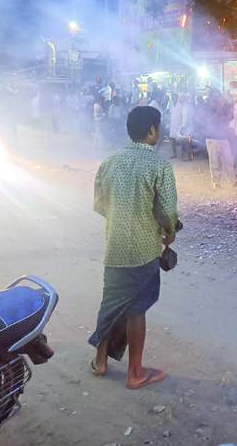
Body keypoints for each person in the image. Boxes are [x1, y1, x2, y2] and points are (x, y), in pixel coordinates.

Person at [89, 106, 181, 389]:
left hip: (115, 247)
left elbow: (100, 205)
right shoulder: (160, 165)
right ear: (152, 130)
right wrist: (169, 234)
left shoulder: (110, 162)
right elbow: (167, 212)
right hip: (143, 251)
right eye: (159, 127)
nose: (160, 132)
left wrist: (122, 220)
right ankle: (135, 372)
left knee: (111, 305)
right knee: (136, 310)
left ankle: (100, 362)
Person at [205, 96, 237, 189]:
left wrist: (230, 107)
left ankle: (233, 182)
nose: (221, 102)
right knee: (215, 162)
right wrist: (221, 109)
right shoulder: (210, 109)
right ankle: (216, 183)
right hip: (212, 139)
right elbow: (213, 120)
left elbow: (231, 118)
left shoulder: (225, 109)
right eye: (219, 101)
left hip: (223, 138)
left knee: (229, 161)